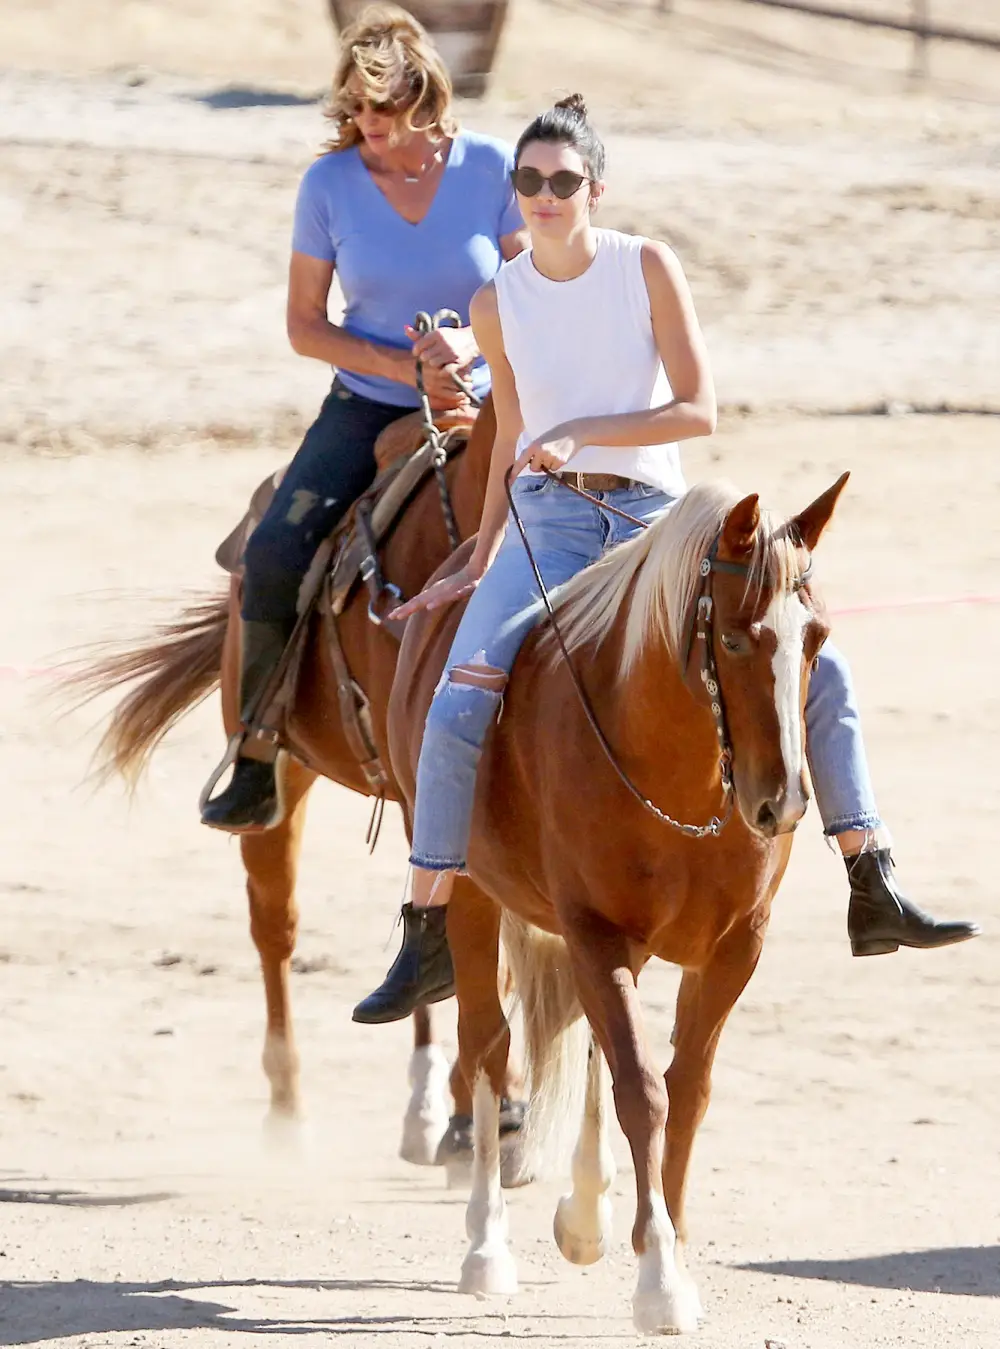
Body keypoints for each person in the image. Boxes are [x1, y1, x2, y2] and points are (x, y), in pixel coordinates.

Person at [352, 94, 979, 1024]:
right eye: (529, 181)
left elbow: (698, 408)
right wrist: (479, 553)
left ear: (595, 189)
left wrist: (582, 431)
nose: (545, 195)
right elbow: (513, 429)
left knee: (820, 662)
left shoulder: (645, 267)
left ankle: (870, 873)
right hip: (546, 522)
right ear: (514, 192)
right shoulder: (497, 301)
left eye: (564, 181)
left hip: (657, 517)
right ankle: (427, 928)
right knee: (458, 696)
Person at [200, 4, 526, 832]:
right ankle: (255, 748)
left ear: (426, 97)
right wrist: (402, 364)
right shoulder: (329, 185)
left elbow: (530, 295)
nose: (365, 126)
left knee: (590, 526)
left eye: (380, 110)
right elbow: (306, 326)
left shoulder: (490, 170)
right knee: (275, 550)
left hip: (488, 400)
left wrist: (464, 346)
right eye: (352, 110)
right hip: (367, 403)